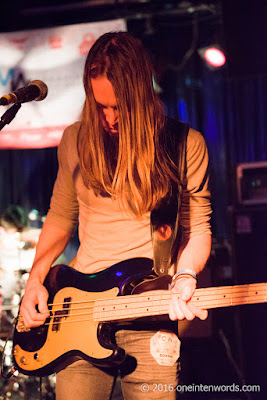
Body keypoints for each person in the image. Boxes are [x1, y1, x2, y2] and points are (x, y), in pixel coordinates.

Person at [19, 32, 212, 399]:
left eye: (119, 106)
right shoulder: (75, 140)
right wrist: (34, 281)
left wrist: (185, 274)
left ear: (141, 93)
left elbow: (199, 228)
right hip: (79, 311)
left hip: (150, 310)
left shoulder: (185, 145)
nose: (108, 118)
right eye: (100, 105)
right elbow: (60, 218)